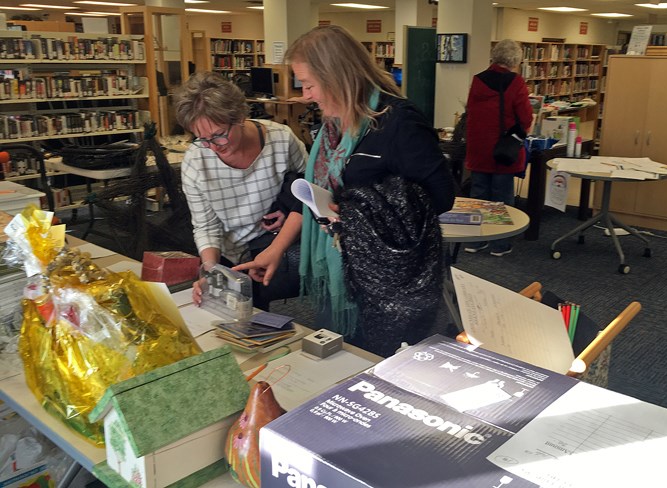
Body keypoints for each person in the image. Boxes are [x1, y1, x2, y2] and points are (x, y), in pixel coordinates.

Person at [235, 25, 455, 357]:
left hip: (387, 281)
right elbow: (322, 191)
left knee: (375, 365)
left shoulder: (398, 123)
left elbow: (440, 196)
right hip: (338, 267)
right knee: (339, 356)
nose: (305, 95)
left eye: (309, 85)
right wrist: (281, 243)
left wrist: (361, 212)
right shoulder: (336, 123)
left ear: (338, 76)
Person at [173, 71, 308, 311]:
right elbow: (206, 226)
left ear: (240, 116)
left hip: (273, 245)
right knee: (229, 319)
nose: (213, 147)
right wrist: (210, 270)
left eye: (219, 135)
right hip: (228, 255)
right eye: (202, 138)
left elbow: (309, 187)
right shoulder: (196, 160)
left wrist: (287, 209)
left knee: (262, 318)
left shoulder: (281, 139)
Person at [464, 38, 533, 257]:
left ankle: (475, 240)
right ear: (515, 60)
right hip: (502, 149)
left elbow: (472, 112)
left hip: (478, 147)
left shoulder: (477, 80)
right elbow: (525, 116)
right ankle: (499, 244)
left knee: (478, 195)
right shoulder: (516, 82)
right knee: (501, 197)